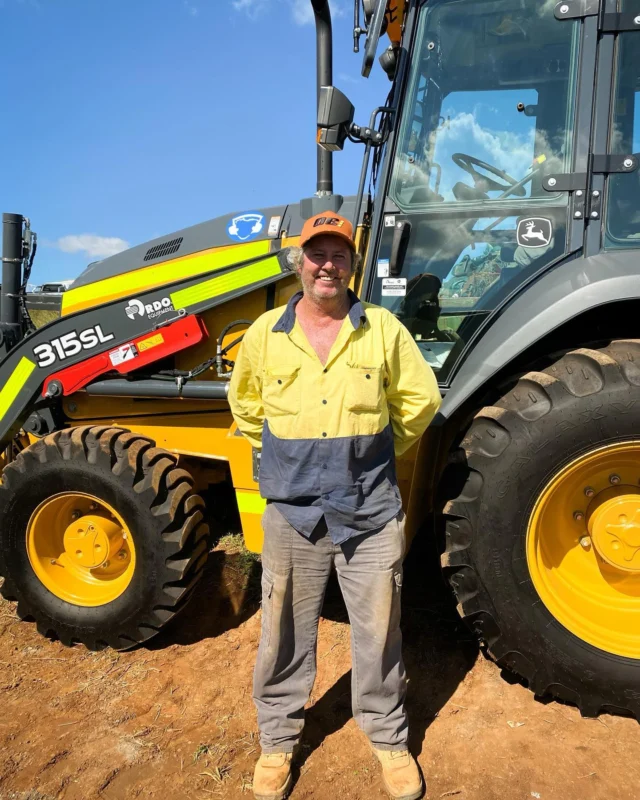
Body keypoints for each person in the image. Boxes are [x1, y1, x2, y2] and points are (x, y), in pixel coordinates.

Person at [228, 211, 441, 800]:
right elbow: (245, 406)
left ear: (353, 264)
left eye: (339, 255)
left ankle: (389, 738)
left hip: (368, 508)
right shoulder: (265, 334)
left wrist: (372, 457)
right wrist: (285, 460)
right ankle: (277, 742)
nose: (328, 265)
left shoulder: (383, 330)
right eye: (317, 254)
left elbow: (419, 401)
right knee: (283, 629)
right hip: (292, 510)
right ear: (300, 262)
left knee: (377, 628)